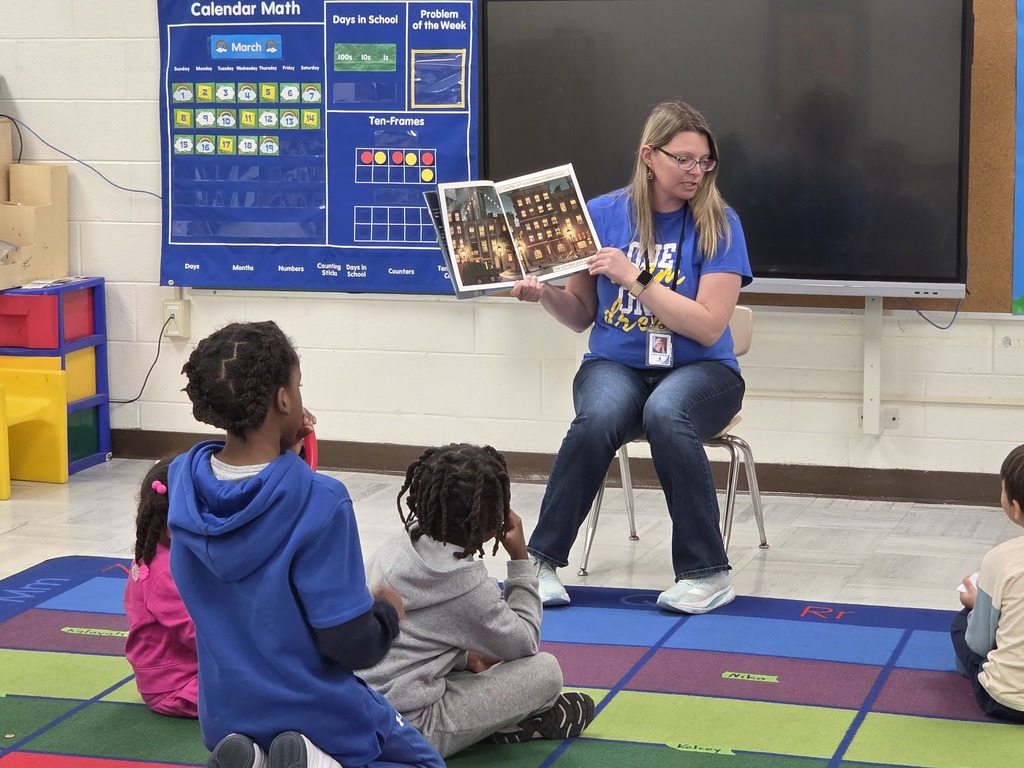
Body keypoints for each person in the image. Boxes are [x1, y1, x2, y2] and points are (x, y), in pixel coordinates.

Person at [167, 320, 445, 768]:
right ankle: (319, 763)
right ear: (283, 399)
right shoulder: (323, 500)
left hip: (227, 715)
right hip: (317, 712)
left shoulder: (181, 487)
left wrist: (286, 456)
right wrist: (388, 612)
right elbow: (352, 644)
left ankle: (255, 760)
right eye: (297, 387)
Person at [511, 100, 752, 614]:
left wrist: (635, 278)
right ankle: (540, 564)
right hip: (615, 364)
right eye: (683, 159)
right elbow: (580, 315)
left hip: (702, 371)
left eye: (704, 161)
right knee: (598, 416)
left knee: (666, 412)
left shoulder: (721, 224)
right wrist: (544, 293)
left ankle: (707, 573)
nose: (696, 172)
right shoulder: (599, 214)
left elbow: (710, 325)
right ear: (649, 155)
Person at [361, 443, 595, 758]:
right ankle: (507, 723)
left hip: (361, 706)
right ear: (496, 520)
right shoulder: (466, 586)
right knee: (546, 671)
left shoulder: (401, 542)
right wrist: (520, 558)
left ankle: (497, 718)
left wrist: (466, 659)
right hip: (412, 728)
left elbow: (409, 638)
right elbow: (526, 643)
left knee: (475, 660)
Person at [950, 444, 1024, 723]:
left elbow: (978, 643)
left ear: (1015, 508)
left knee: (961, 623)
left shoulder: (1000, 558)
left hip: (1005, 701)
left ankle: (971, 673)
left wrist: (975, 606)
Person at [123, 457, 198, 718]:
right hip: (174, 684)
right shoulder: (165, 572)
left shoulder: (160, 547)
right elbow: (194, 632)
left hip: (186, 668)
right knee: (259, 694)